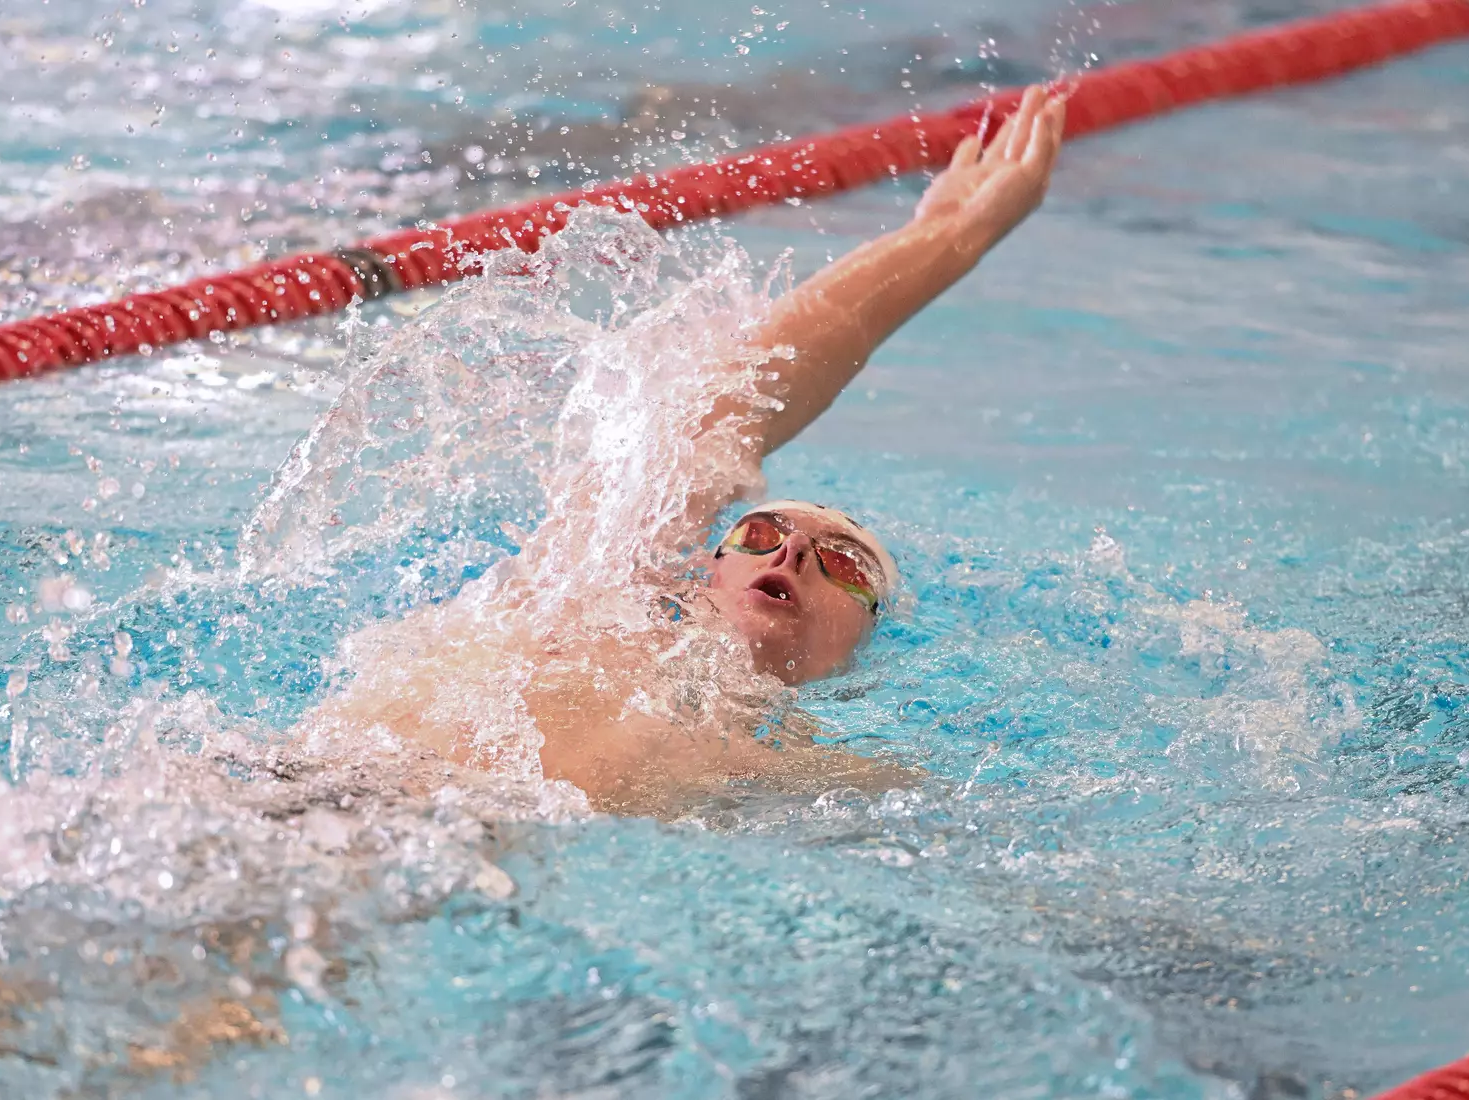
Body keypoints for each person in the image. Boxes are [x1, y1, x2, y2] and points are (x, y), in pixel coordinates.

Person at [310, 87, 1069, 818]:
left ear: (861, 655)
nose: (793, 552)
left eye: (846, 564)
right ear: (698, 571)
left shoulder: (804, 775)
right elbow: (744, 390)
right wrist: (950, 235)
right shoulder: (595, 592)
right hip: (307, 789)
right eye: (759, 533)